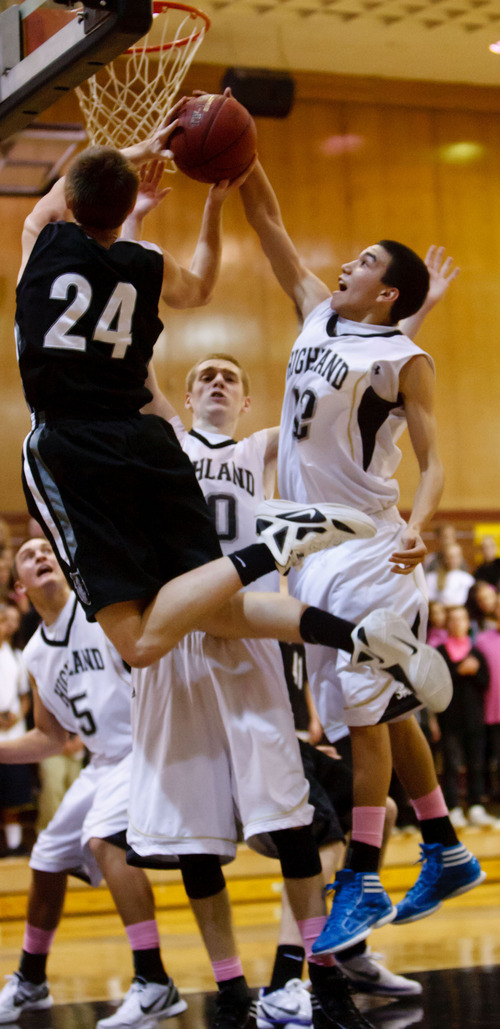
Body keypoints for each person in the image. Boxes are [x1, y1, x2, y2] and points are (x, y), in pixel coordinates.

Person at [15, 135, 451, 722]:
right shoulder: (144, 266)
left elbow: (49, 203)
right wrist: (214, 194)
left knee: (141, 644)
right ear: (124, 211)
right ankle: (355, 637)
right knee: (214, 608)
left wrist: (134, 151)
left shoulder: (42, 245)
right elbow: (200, 286)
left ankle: (269, 546)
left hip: (72, 445)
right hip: (147, 443)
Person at [239, 158, 484, 950]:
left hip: (372, 547)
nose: (347, 263)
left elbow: (437, 459)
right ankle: (445, 847)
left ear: (387, 294)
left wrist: (420, 521)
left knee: (363, 716)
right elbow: (271, 226)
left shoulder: (405, 359)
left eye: (367, 261)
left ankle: (366, 876)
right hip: (312, 551)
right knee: (382, 705)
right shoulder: (317, 312)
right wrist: (239, 157)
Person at [0, 537, 186, 1029]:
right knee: (46, 858)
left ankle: (154, 981)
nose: (40, 555)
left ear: (63, 565)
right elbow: (49, 736)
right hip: (103, 760)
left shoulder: (101, 612)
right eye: (28, 555)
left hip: (148, 744)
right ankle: (31, 979)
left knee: (104, 839)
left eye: (47, 550)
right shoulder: (36, 654)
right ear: (20, 586)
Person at [436, 606, 493, 829]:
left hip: (474, 717)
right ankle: (453, 807)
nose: (459, 623)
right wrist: (460, 670)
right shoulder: (440, 652)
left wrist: (475, 671)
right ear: (447, 623)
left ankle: (476, 805)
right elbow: (437, 683)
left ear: (468, 623)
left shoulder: (476, 651)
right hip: (449, 718)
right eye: (454, 619)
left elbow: (485, 681)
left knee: (475, 762)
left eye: (462, 619)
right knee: (451, 763)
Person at [0, 602, 33, 857]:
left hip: (14, 734)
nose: (11, 625)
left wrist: (16, 717)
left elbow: (26, 697)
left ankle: (14, 844)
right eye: (5, 620)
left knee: (14, 795)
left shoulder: (19, 656)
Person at [425, 543, 475, 608]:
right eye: (448, 557)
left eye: (455, 556)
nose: (452, 560)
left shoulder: (468, 579)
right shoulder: (431, 577)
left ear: (461, 558)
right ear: (442, 558)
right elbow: (429, 599)